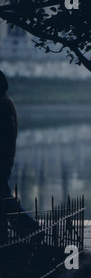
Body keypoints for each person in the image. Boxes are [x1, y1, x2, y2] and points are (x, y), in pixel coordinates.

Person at [0, 70, 38, 243]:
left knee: (4, 198)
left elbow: (6, 135)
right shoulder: (6, 101)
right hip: (5, 159)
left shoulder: (3, 103)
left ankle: (30, 229)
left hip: (2, 160)